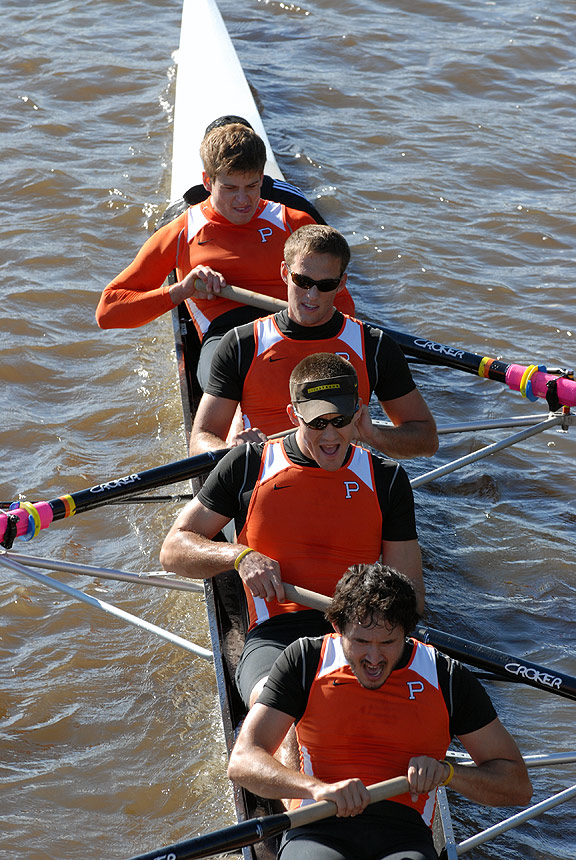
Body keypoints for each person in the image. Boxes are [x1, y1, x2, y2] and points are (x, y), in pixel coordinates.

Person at [160, 353, 423, 711]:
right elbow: (173, 549)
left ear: (359, 413)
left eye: (341, 421)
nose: (331, 436)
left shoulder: (387, 479)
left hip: (359, 632)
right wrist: (240, 556)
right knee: (285, 707)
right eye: (317, 423)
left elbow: (412, 599)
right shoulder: (248, 465)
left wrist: (377, 632)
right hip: (274, 635)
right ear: (293, 416)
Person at [227, 563, 533, 860]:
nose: (374, 658)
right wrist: (318, 789)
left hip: (404, 833)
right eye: (361, 642)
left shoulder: (446, 677)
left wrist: (448, 773)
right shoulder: (306, 659)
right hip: (319, 824)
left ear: (407, 633)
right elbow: (243, 761)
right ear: (337, 627)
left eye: (388, 642)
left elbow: (517, 785)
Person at [96, 121, 354, 387]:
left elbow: (343, 305)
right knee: (235, 377)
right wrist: (182, 291)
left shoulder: (293, 222)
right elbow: (108, 311)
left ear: (262, 178)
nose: (243, 201)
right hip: (224, 337)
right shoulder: (182, 232)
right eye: (230, 189)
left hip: (291, 326)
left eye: (252, 187)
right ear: (208, 181)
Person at [189, 224, 438, 460]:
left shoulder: (372, 346)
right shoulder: (242, 343)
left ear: (341, 284)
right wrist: (234, 454)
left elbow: (427, 440)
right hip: (262, 473)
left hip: (339, 479)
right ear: (285, 273)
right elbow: (201, 439)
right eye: (303, 281)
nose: (312, 295)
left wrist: (373, 435)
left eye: (325, 285)